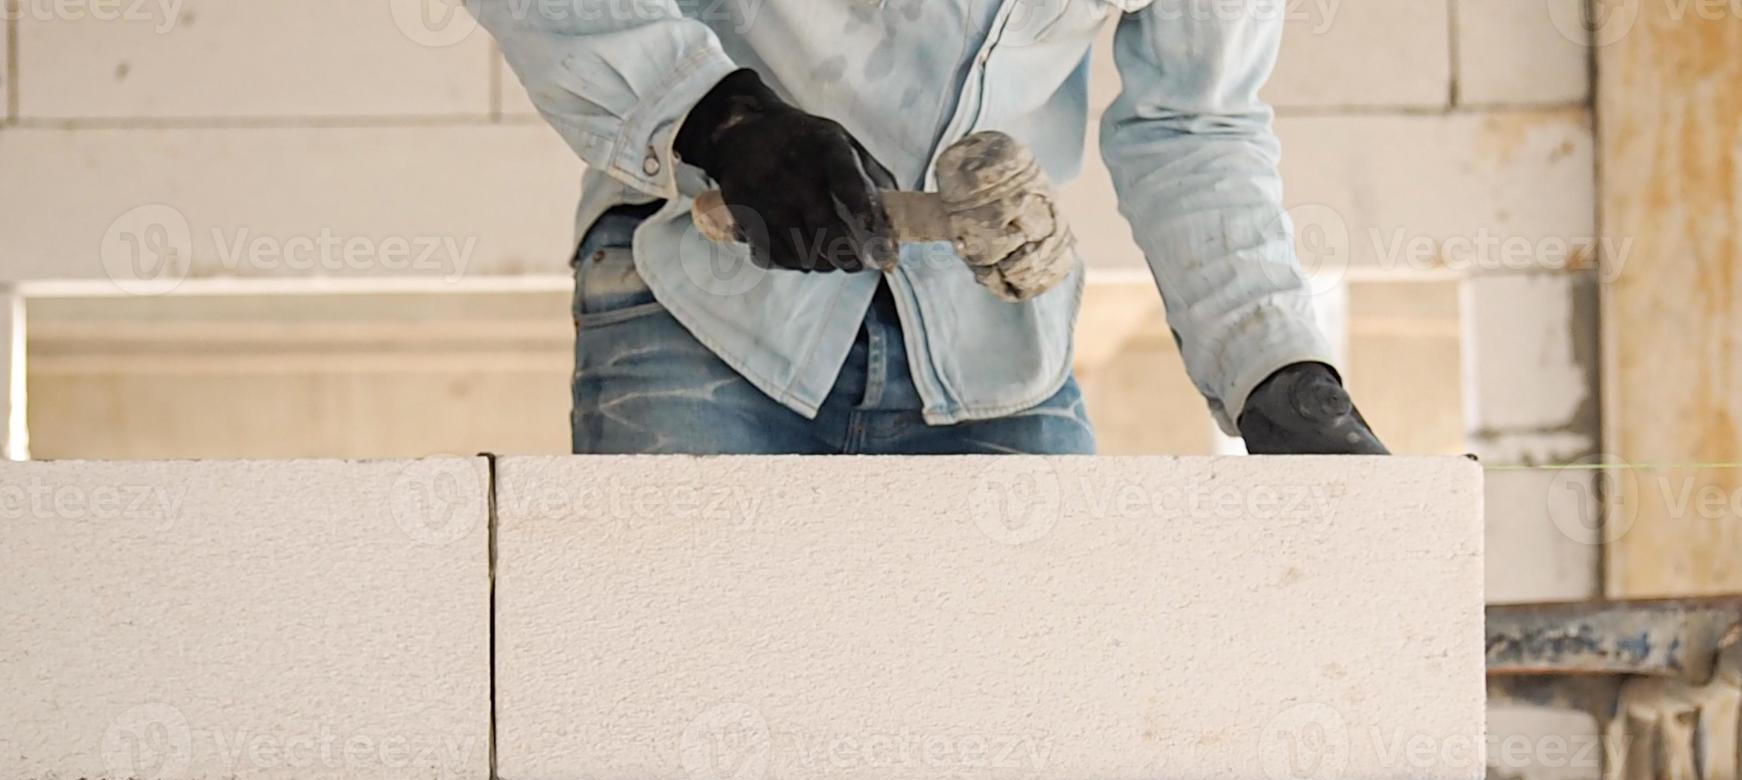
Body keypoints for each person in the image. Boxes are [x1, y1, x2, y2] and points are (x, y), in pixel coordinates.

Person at [475, 0, 1386, 456]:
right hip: (697, 292)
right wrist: (719, 116)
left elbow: (1196, 123)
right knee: (670, 739)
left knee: (1038, 760)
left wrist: (1277, 369)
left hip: (988, 342)